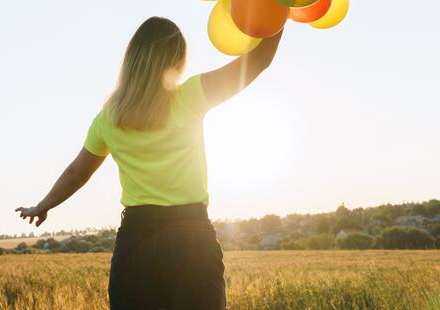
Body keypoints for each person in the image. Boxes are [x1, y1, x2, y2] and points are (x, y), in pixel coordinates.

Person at [15, 16, 284, 310]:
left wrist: (43, 205)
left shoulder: (110, 116)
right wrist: (279, 9)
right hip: (191, 236)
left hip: (136, 241)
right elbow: (257, 61)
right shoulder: (192, 94)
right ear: (177, 59)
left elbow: (77, 172)